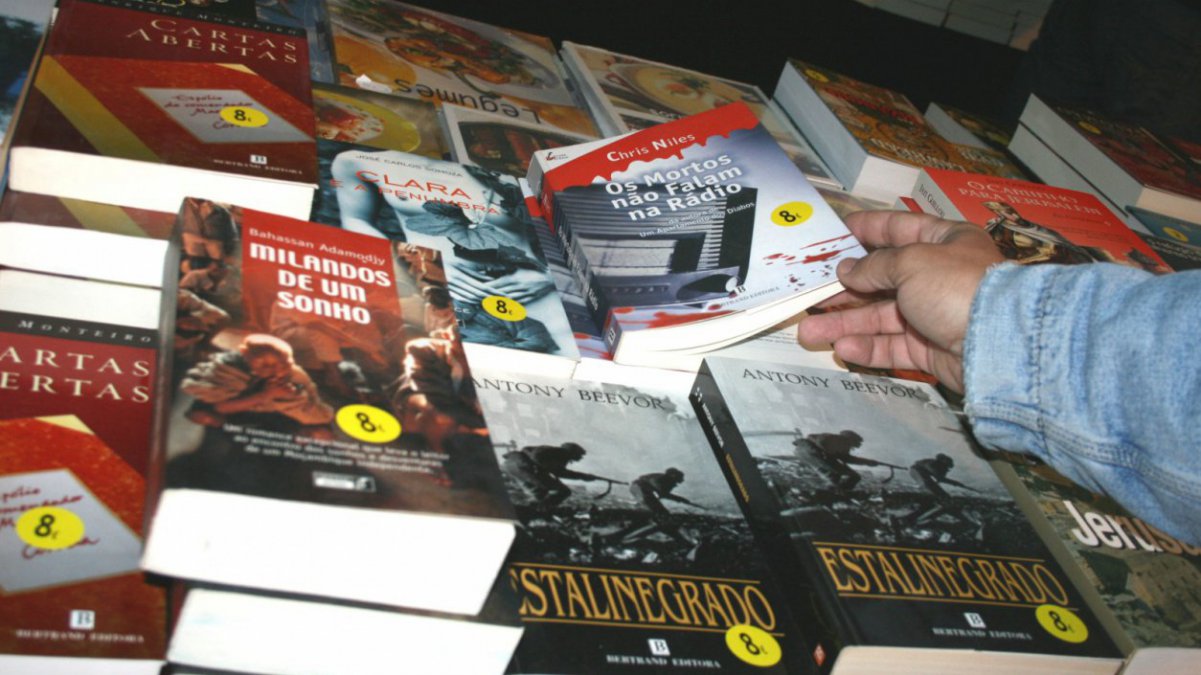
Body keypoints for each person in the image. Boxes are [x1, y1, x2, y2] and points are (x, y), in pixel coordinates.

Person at [797, 209, 1201, 545]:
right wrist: (995, 320)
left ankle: (840, 500)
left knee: (863, 481)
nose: (856, 441)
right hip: (817, 459)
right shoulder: (892, 455)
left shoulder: (916, 461)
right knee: (852, 479)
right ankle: (824, 498)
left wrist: (994, 323)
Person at [501, 442, 616, 508]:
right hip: (524, 467)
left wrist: (585, 477)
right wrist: (538, 467)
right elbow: (538, 456)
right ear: (572, 452)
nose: (580, 458)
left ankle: (532, 510)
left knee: (540, 493)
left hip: (511, 466)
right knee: (563, 491)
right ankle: (541, 510)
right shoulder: (560, 453)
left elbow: (560, 472)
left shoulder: (557, 454)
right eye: (579, 455)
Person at [794, 429, 884, 491]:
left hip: (806, 453)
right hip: (812, 454)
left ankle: (833, 492)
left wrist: (868, 462)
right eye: (855, 443)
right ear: (850, 439)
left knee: (838, 476)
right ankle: (837, 493)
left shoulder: (841, 442)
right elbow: (822, 441)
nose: (853, 446)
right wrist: (826, 453)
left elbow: (846, 458)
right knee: (849, 476)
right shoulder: (836, 438)